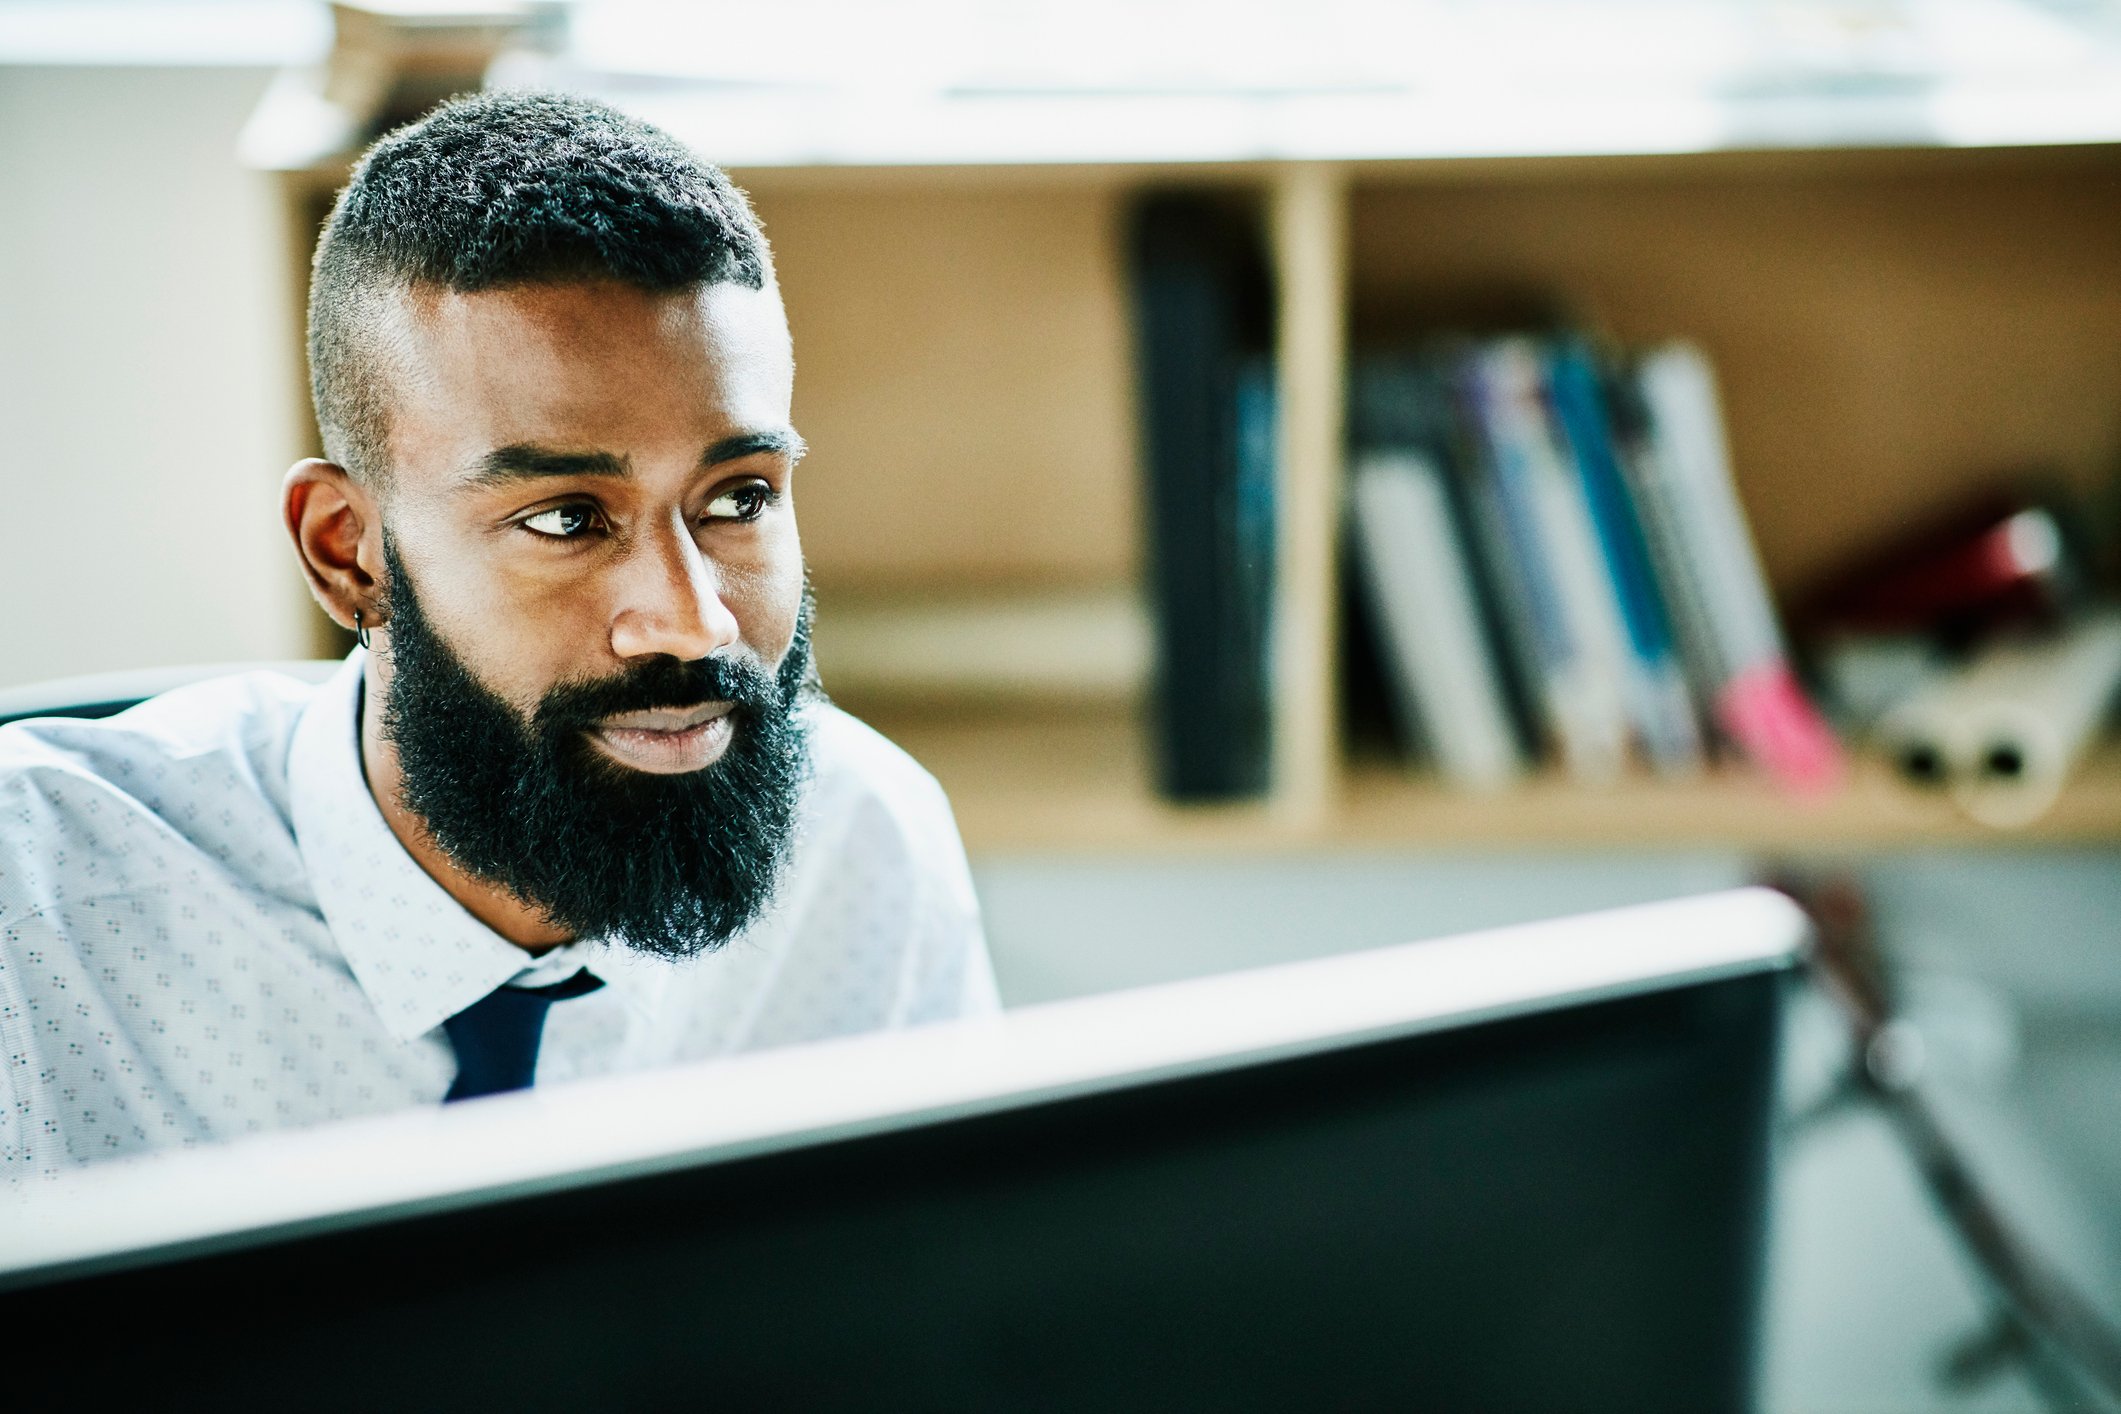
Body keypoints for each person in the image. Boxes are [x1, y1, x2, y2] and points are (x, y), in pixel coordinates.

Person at [0, 91, 998, 1181]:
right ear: (350, 554)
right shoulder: (33, 921)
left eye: (740, 497)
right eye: (568, 518)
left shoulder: (864, 848)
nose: (693, 618)